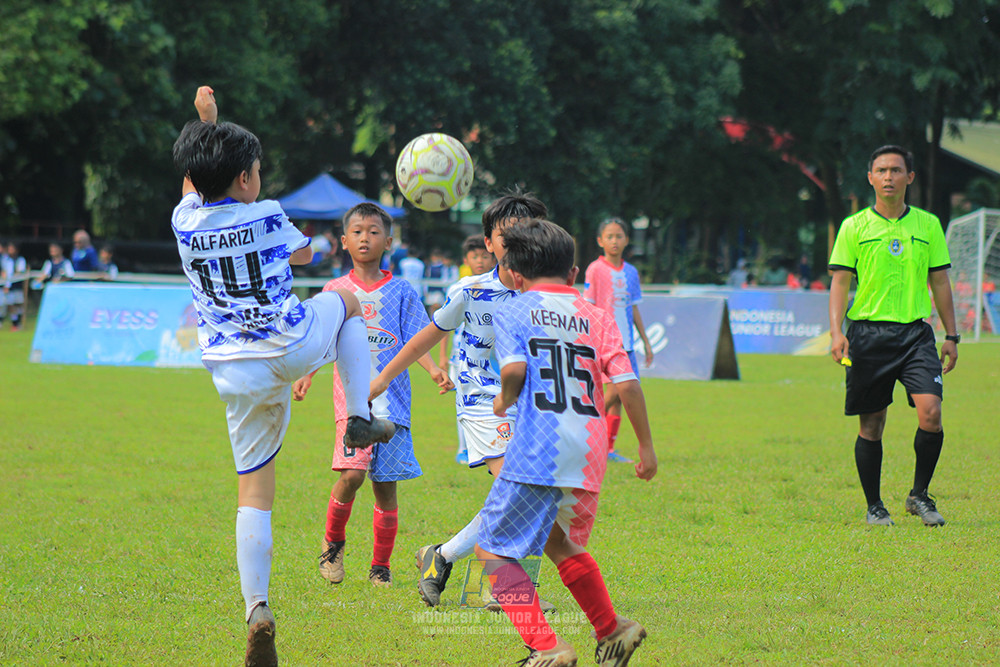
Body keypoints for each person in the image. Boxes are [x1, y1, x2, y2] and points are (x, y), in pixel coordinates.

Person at [171, 86, 394, 667]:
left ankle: (257, 608)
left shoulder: (184, 221)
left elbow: (196, 184)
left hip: (231, 370)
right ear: (246, 178)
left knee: (255, 493)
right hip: (288, 344)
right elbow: (303, 257)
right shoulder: (266, 215)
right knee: (347, 298)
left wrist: (207, 127)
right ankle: (362, 421)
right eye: (258, 170)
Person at [475, 218, 656, 666]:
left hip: (538, 447)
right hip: (589, 451)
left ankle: (547, 647)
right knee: (559, 543)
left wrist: (504, 399)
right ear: (573, 274)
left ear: (516, 276)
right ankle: (613, 630)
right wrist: (647, 448)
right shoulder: (594, 314)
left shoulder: (513, 309)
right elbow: (628, 384)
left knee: (492, 551)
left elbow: (514, 371)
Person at [369, 191, 549, 608]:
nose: (518, 240)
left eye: (528, 230)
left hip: (531, 404)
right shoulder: (470, 290)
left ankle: (444, 557)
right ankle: (502, 587)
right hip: (483, 400)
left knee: (531, 494)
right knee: (516, 485)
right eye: (507, 234)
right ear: (488, 243)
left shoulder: (543, 295)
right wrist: (383, 379)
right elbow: (425, 339)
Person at [292, 202, 452, 588]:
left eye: (374, 231)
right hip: (351, 400)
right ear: (344, 241)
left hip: (394, 401)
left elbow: (418, 339)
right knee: (352, 475)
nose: (366, 237)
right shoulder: (335, 290)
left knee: (386, 485)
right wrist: (307, 374)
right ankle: (333, 546)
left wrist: (433, 371)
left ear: (389, 241)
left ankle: (381, 566)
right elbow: (321, 339)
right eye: (358, 232)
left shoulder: (401, 290)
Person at [829, 144, 959, 528]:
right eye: (882, 170)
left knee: (931, 412)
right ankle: (874, 505)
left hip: (916, 334)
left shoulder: (927, 225)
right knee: (871, 424)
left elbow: (940, 281)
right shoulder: (854, 227)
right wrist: (837, 332)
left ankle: (919, 495)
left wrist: (951, 334)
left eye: (896, 170)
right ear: (870, 177)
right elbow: (839, 282)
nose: (889, 177)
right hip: (867, 335)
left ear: (910, 177)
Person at [583, 218, 654, 463]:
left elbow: (633, 308)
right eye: (609, 236)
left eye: (619, 236)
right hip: (604, 342)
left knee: (621, 399)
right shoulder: (595, 269)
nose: (615, 241)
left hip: (628, 345)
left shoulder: (631, 272)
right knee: (614, 392)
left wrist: (645, 340)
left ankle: (607, 449)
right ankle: (584, 434)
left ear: (626, 240)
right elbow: (589, 305)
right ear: (600, 241)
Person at [438, 235, 498, 465]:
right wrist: (443, 356)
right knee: (463, 401)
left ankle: (494, 444)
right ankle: (464, 449)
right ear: (466, 260)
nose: (480, 260)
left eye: (485, 256)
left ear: (493, 258)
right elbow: (444, 325)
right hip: (460, 357)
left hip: (491, 358)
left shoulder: (496, 288)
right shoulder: (457, 288)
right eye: (475, 256)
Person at [1, 242, 27, 330]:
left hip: (17, 286)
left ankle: (19, 322)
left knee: (18, 304)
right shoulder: (7, 260)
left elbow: (20, 272)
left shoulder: (20, 260)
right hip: (9, 286)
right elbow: (6, 273)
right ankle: (15, 323)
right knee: (11, 305)